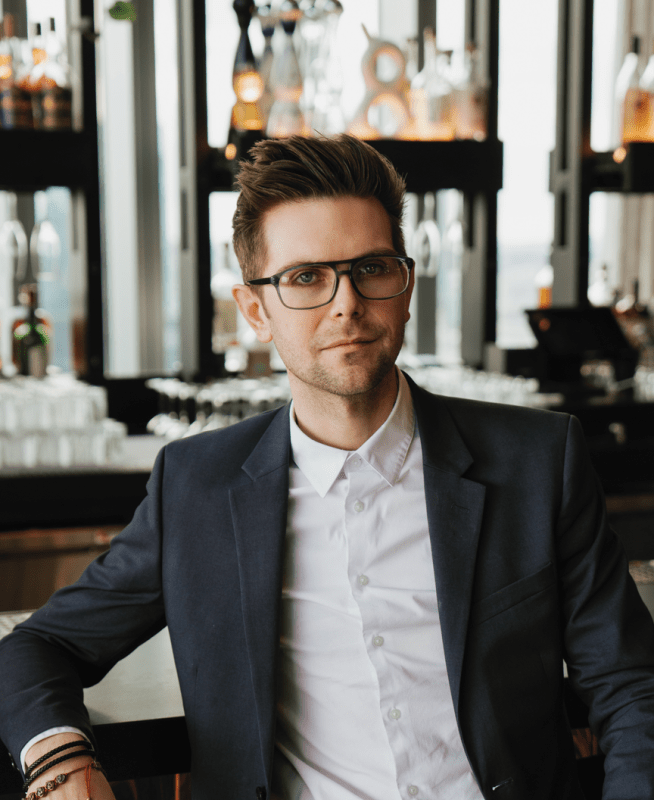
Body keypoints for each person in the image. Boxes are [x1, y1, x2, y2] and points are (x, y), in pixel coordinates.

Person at [1, 134, 654, 800]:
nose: (346, 303)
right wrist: (58, 761)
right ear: (256, 309)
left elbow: (633, 687)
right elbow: (36, 648)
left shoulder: (539, 462)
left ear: (405, 287)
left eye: (371, 267)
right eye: (305, 277)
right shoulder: (195, 489)